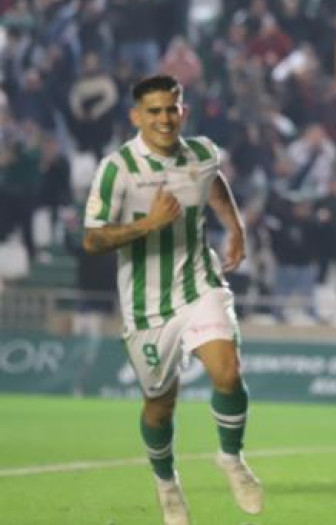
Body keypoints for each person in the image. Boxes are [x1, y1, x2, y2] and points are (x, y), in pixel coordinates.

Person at [82, 75, 263, 525]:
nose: (165, 118)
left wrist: (235, 227)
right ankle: (167, 485)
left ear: (182, 110)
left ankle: (231, 458)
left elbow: (213, 182)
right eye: (155, 110)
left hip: (199, 282)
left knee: (228, 370)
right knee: (160, 405)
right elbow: (92, 239)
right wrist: (148, 225)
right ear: (137, 116)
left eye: (172, 108)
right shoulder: (117, 168)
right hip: (146, 305)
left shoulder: (201, 153)